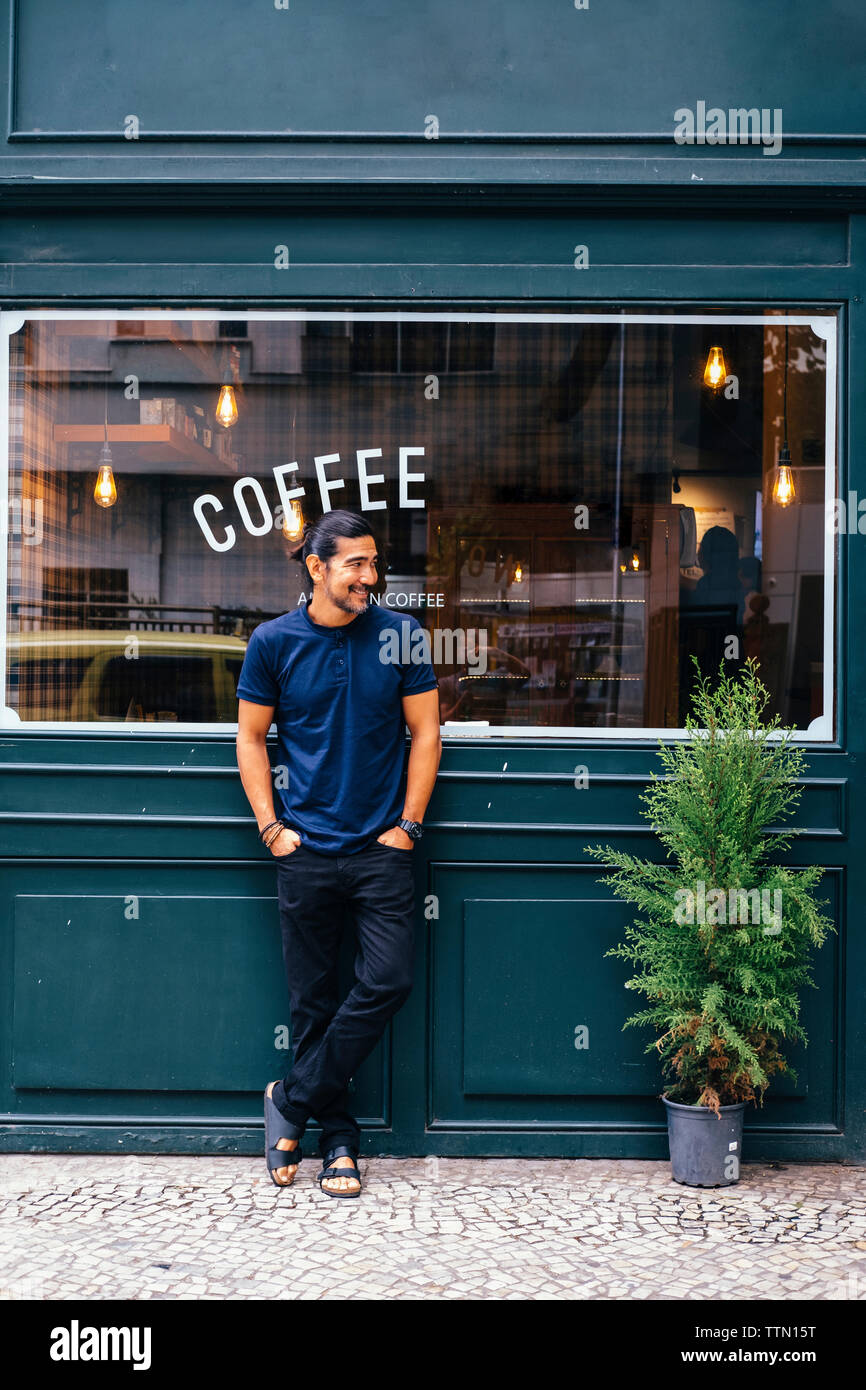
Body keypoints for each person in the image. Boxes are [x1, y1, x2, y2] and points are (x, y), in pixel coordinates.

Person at [235, 510, 441, 1197]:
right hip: (305, 849)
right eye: (355, 564)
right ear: (316, 568)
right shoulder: (272, 642)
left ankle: (288, 1102)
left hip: (381, 847)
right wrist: (272, 828)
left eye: (374, 563)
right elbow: (251, 739)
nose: (370, 577)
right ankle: (341, 1142)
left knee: (388, 980)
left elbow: (427, 734)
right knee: (313, 1004)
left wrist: (408, 826)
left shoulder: (403, 637)